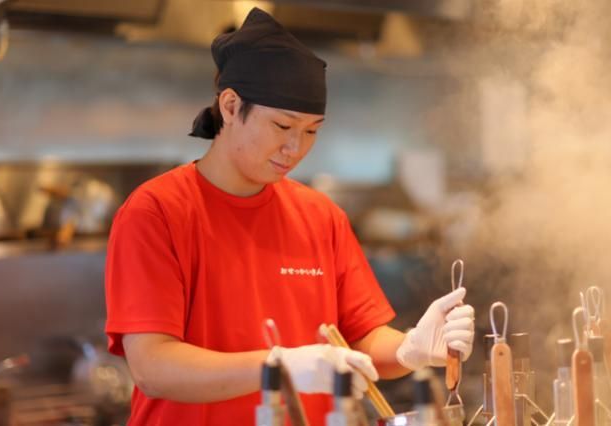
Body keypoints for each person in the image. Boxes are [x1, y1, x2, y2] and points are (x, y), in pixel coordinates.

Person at [105, 7, 475, 426]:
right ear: (231, 106)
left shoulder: (320, 216)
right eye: (283, 126)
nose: (295, 148)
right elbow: (153, 368)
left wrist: (411, 348)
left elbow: (362, 340)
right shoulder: (156, 212)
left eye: (312, 130)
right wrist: (278, 366)